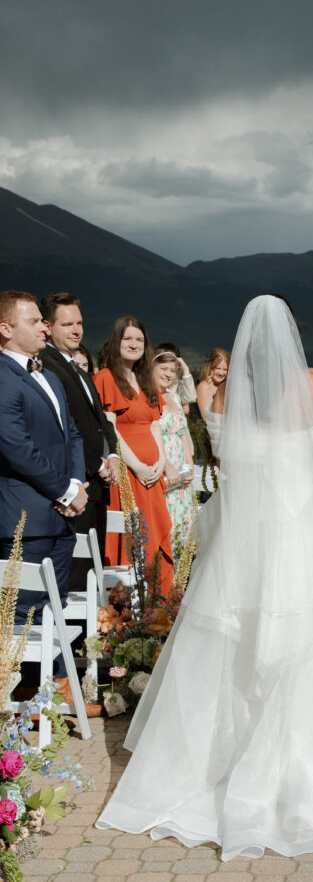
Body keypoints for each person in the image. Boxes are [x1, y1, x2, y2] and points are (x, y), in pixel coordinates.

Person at [97, 295, 313, 857]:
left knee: (238, 637)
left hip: (253, 524)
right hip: (306, 521)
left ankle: (219, 762)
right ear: (293, 336)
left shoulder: (231, 391)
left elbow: (229, 460)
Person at [0, 290, 96, 712]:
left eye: (44, 320)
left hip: (60, 517)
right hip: (26, 516)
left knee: (52, 610)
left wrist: (76, 484)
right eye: (35, 320)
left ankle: (51, 692)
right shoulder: (2, 376)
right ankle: (18, 701)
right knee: (20, 614)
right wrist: (64, 490)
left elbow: (72, 434)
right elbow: (14, 446)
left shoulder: (51, 375)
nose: (44, 326)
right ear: (6, 330)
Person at [39, 293, 119, 590]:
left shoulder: (78, 368)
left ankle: (90, 636)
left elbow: (102, 423)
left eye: (80, 323)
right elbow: (63, 428)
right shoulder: (45, 366)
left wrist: (112, 458)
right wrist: (96, 464)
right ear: (47, 326)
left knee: (91, 576)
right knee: (74, 577)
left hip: (98, 486)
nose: (77, 330)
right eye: (68, 324)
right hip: (76, 485)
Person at [94, 316, 173, 593]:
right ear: (116, 341)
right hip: (128, 475)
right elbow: (110, 429)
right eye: (128, 338)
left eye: (139, 339)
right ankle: (128, 613)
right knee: (133, 537)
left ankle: (158, 607)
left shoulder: (144, 378)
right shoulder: (106, 377)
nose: (134, 344)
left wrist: (161, 461)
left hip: (152, 474)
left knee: (155, 534)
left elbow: (154, 424)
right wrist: (138, 466)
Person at [152, 349, 195, 554]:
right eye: (163, 368)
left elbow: (181, 433)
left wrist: (188, 463)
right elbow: (149, 435)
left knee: (182, 524)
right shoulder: (147, 397)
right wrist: (168, 468)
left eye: (172, 370)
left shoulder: (174, 398)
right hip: (162, 466)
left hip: (181, 471)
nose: (168, 374)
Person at [155, 341, 197, 413]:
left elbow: (190, 398)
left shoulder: (176, 383)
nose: (168, 374)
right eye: (164, 368)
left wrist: (186, 371)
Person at [196, 347, 230, 421]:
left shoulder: (227, 386)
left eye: (225, 369)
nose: (221, 373)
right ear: (210, 367)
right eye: (218, 368)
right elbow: (207, 418)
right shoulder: (204, 387)